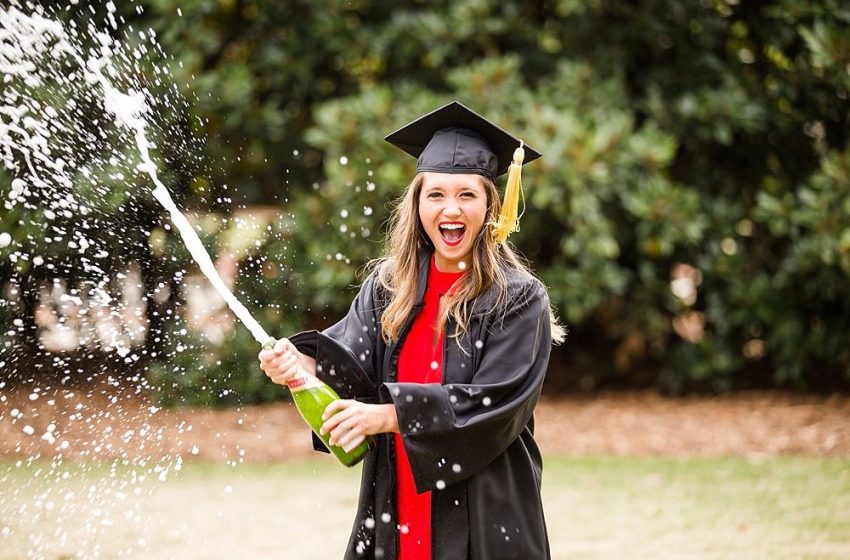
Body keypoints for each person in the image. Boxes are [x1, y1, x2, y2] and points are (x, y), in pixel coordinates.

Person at [259, 101, 565, 560]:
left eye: (467, 195)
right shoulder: (388, 288)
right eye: (436, 194)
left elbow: (497, 403)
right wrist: (298, 365)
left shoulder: (518, 298)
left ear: (490, 205)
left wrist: (388, 416)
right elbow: (348, 365)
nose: (451, 209)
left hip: (484, 507)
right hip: (397, 493)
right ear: (417, 203)